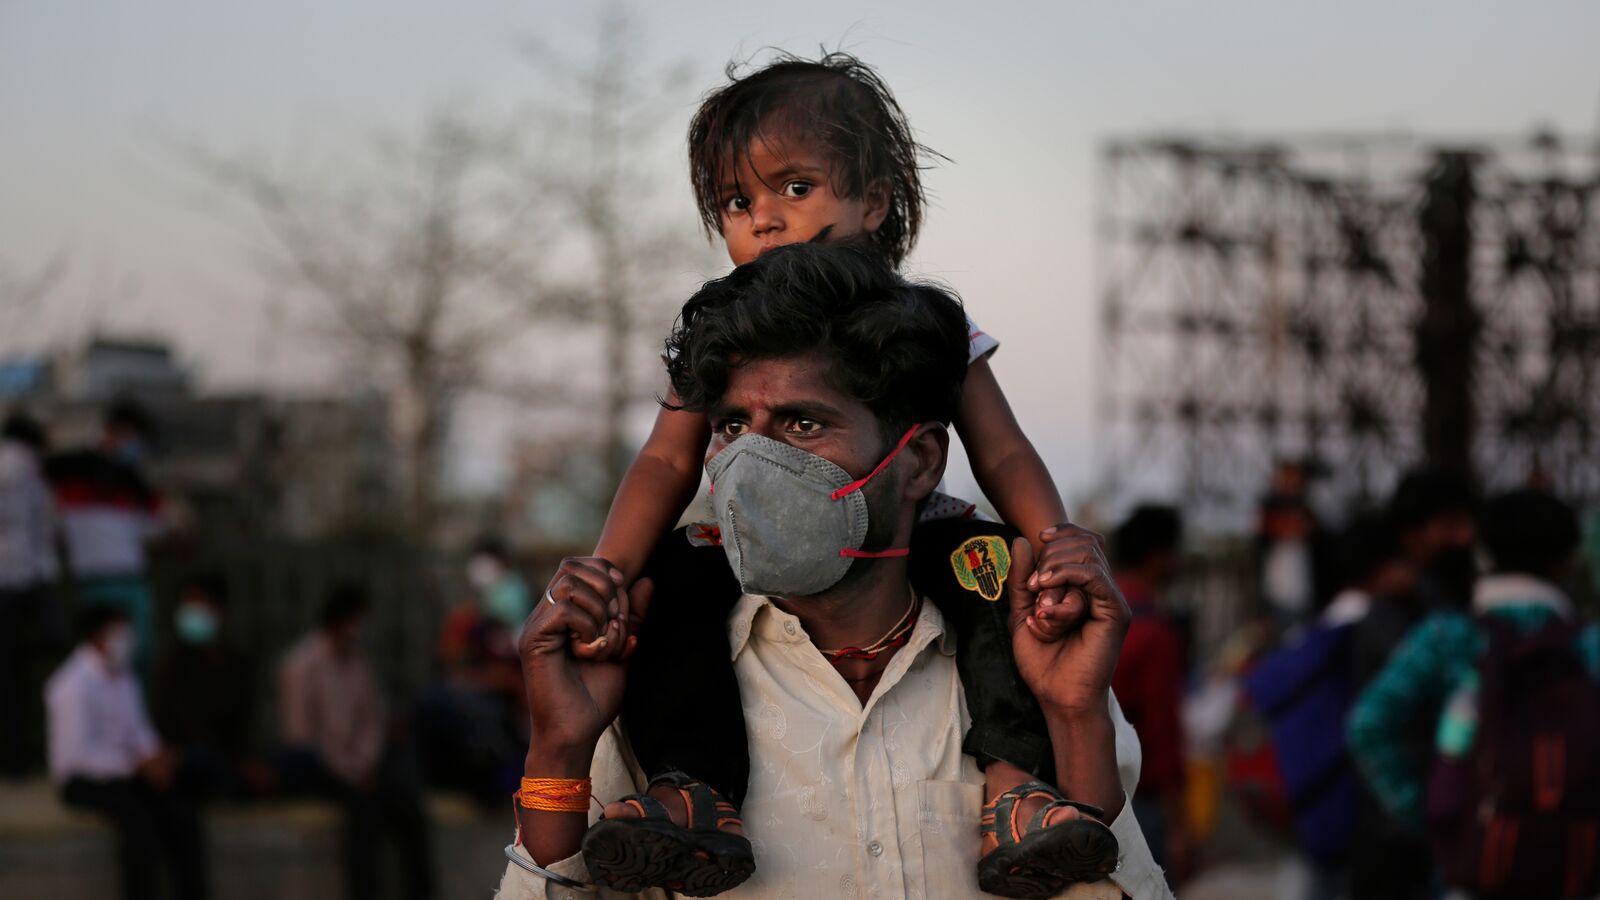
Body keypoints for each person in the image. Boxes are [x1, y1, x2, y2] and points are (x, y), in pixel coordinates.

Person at [574, 52, 1114, 897]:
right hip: (739, 537)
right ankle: (693, 791)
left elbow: (1001, 448)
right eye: (737, 201)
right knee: (671, 595)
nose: (765, 220)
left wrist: (1050, 545)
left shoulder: (926, 323)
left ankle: (1016, 793)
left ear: (874, 200)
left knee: (998, 588)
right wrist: (610, 569)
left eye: (795, 188)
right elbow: (666, 458)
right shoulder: (723, 329)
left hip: (905, 527)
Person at [500, 242, 1171, 900]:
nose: (751, 466)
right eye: (734, 426)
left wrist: (1076, 716)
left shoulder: (1031, 672)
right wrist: (557, 749)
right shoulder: (646, 679)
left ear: (920, 462)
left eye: (801, 423)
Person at [1348, 489, 1600, 898]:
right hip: (1574, 871)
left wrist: (1429, 812)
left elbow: (1368, 725)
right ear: (1565, 562)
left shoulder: (1448, 637)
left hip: (1473, 867)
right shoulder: (1587, 646)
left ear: (1484, 555)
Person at [278, 585, 435, 900]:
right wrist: (351, 771)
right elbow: (301, 736)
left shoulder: (358, 662)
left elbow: (371, 721)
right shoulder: (301, 664)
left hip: (363, 766)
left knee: (408, 807)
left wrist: (365, 764)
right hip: (320, 764)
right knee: (363, 814)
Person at [46, 604, 207, 900]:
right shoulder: (70, 685)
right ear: (96, 636)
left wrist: (156, 757)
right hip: (84, 779)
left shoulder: (124, 676)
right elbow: (77, 755)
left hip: (126, 771)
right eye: (120, 633)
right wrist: (136, 765)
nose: (127, 640)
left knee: (181, 812)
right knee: (138, 822)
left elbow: (139, 731)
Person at [45, 400, 165, 671]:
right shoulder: (67, 468)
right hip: (93, 582)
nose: (136, 447)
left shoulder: (134, 479)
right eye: (134, 438)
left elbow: (158, 525)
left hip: (131, 579)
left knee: (137, 660)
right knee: (97, 666)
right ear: (118, 431)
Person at [1109, 505, 1188, 884]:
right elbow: (1162, 733)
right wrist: (1179, 827)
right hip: (1140, 801)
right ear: (1160, 555)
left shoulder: (1091, 607)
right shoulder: (1155, 632)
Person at [149, 573, 263, 800]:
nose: (191, 613)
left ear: (219, 610)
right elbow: (181, 724)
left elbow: (244, 722)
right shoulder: (172, 664)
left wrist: (245, 759)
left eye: (198, 604)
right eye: (187, 605)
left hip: (228, 758)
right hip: (191, 760)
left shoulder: (237, 661)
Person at [0, 411, 63, 777]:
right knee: (14, 677)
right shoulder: (21, 467)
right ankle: (17, 760)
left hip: (22, 579)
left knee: (10, 678)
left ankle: (16, 761)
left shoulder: (29, 471)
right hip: (21, 579)